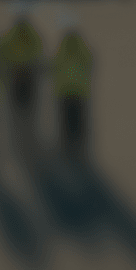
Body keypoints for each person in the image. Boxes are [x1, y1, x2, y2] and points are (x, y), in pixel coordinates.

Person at [0, 0, 44, 136]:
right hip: (22, 72)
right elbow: (37, 47)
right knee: (24, 102)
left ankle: (22, 128)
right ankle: (24, 128)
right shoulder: (26, 33)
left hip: (22, 72)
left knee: (21, 102)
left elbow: (3, 50)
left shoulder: (19, 33)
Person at [52, 12, 93, 160]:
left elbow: (57, 63)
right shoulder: (81, 43)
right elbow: (89, 61)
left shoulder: (64, 44)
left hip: (65, 90)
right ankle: (78, 147)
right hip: (79, 90)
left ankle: (69, 147)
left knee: (66, 120)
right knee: (78, 120)